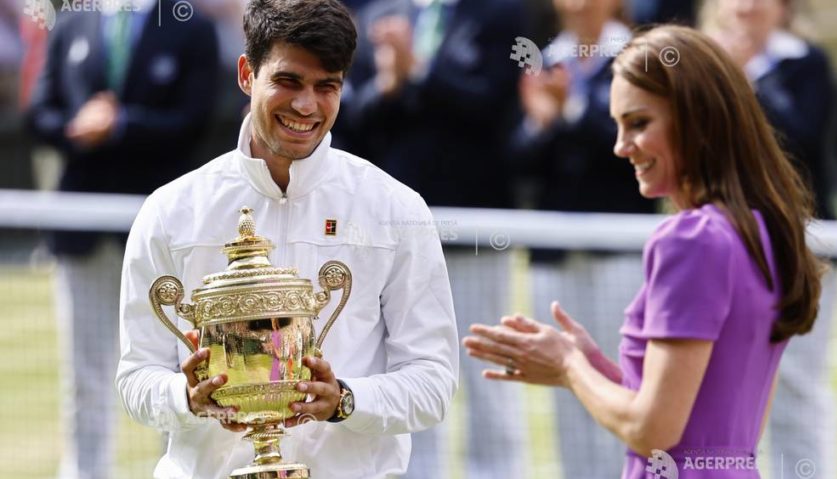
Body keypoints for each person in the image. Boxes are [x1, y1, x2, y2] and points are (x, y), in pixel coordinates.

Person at [115, 1, 459, 478]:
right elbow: (135, 376)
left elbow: (433, 381)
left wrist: (345, 400)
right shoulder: (171, 211)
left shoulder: (396, 210)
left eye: (327, 87)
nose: (306, 105)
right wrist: (185, 397)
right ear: (246, 74)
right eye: (288, 81)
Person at [464, 25, 824, 478]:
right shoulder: (762, 228)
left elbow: (654, 430)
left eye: (638, 123)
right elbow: (699, 416)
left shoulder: (690, 240)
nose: (620, 146)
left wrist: (570, 365)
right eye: (617, 125)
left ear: (698, 119)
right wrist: (591, 367)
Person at [26, 1, 218, 477]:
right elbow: (40, 113)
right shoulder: (71, 24)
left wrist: (123, 123)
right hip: (82, 232)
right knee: (86, 375)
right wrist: (79, 126)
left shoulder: (191, 25)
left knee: (178, 371)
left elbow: (197, 118)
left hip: (165, 239)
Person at [336, 1, 527, 477]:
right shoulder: (378, 12)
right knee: (406, 372)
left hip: (476, 231)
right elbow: (351, 117)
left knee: (489, 378)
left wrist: (418, 72)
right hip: (394, 234)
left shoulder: (500, 14)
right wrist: (388, 86)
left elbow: (492, 106)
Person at [511, 1, 655, 477]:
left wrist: (570, 108)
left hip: (620, 249)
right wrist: (541, 122)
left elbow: (631, 150)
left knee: (624, 381)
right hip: (555, 252)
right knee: (570, 389)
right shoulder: (548, 58)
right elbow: (520, 161)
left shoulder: (639, 58)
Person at [702, 1, 837, 476]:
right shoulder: (702, 62)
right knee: (731, 385)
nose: (747, 6)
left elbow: (800, 140)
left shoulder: (808, 64)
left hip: (800, 248)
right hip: (727, 247)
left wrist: (746, 80)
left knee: (797, 382)